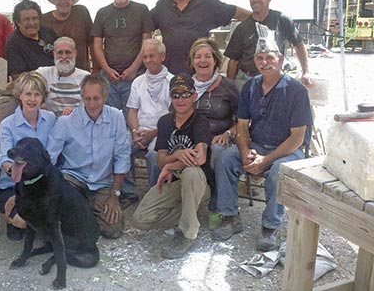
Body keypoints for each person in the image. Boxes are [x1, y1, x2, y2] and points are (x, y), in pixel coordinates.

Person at [211, 32, 313, 251]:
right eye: (260, 58)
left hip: (286, 150)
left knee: (278, 171)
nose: (264, 63)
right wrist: (246, 149)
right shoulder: (250, 87)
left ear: (281, 60)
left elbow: (297, 138)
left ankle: (270, 226)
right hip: (257, 144)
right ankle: (229, 215)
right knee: (225, 157)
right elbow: (242, 124)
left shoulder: (296, 91)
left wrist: (266, 160)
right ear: (254, 61)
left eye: (270, 57)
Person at [132, 73, 212, 259]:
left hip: (199, 183)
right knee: (140, 220)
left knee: (192, 172)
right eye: (176, 94)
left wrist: (171, 165)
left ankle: (187, 233)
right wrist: (176, 156)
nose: (181, 99)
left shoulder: (200, 121)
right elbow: (160, 160)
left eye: (185, 94)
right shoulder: (165, 122)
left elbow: (199, 159)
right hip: (174, 183)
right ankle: (188, 213)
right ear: (170, 97)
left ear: (194, 96)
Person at [48, 74, 131, 239]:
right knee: (68, 225)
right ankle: (84, 213)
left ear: (105, 97)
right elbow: (50, 156)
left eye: (96, 98)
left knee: (113, 229)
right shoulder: (66, 122)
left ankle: (85, 213)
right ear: (81, 97)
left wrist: (115, 195)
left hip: (102, 182)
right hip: (73, 180)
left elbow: (122, 157)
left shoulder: (116, 117)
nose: (92, 104)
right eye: (87, 99)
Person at [152, 0, 251, 75]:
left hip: (201, 73)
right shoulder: (163, 4)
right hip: (171, 73)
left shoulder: (206, 2)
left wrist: (260, 19)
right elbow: (144, 23)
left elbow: (235, 12)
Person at [0, 71, 56, 240]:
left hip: (41, 184)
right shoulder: (8, 124)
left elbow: (52, 154)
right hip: (14, 183)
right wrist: (12, 170)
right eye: (28, 93)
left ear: (43, 97)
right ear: (19, 95)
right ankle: (11, 217)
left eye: (37, 94)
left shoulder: (51, 119)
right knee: (23, 222)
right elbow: (5, 156)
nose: (32, 99)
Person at [188, 38, 240, 230]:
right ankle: (180, 205)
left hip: (220, 137)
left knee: (218, 152)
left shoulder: (228, 86)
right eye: (198, 56)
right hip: (193, 136)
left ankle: (218, 205)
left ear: (215, 59)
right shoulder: (186, 84)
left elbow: (243, 120)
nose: (203, 60)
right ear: (192, 61)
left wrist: (229, 132)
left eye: (207, 56)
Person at [224, 0, 313, 89]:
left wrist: (306, 71)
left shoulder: (282, 20)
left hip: (274, 78)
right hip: (247, 80)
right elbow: (233, 61)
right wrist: (230, 88)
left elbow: (298, 44)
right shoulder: (242, 28)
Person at [92, 0, 154, 119]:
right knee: (107, 118)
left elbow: (147, 43)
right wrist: (106, 70)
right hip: (109, 78)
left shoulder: (141, 10)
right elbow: (97, 46)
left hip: (135, 77)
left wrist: (133, 68)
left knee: (133, 119)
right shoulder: (102, 13)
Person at [126, 38, 173, 188]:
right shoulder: (138, 82)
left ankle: (155, 194)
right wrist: (135, 132)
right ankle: (128, 192)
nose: (148, 60)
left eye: (152, 56)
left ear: (162, 57)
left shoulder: (173, 82)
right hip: (139, 131)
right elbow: (132, 111)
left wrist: (152, 134)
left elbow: (176, 118)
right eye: (145, 57)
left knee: (155, 155)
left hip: (162, 133)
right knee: (118, 147)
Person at [41, 0, 96, 72]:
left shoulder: (81, 13)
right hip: (56, 73)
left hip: (82, 71)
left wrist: (96, 69)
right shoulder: (44, 20)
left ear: (72, 0)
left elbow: (92, 42)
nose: (63, 1)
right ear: (54, 1)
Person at [35, 36, 90, 117]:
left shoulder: (86, 78)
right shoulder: (43, 73)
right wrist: (39, 103)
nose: (64, 56)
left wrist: (76, 112)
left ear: (75, 54)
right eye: (60, 52)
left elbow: (92, 106)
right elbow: (23, 85)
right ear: (54, 54)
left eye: (68, 52)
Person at [6, 0, 58, 81]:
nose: (31, 23)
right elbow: (18, 78)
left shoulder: (48, 32)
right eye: (26, 19)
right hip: (34, 88)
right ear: (18, 22)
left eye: (35, 18)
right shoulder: (13, 43)